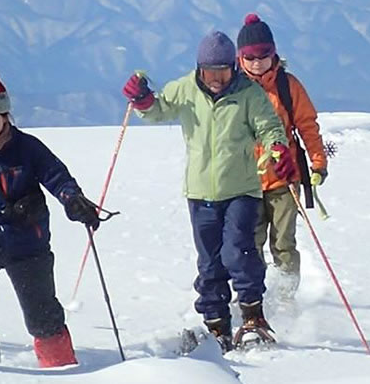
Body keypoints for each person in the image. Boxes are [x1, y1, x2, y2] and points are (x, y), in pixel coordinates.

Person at [121, 31, 295, 352]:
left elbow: (270, 128)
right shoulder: (184, 89)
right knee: (210, 263)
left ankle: (253, 316)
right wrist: (143, 100)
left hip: (241, 188)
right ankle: (217, 326)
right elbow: (159, 109)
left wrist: (278, 149)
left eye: (224, 72)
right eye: (210, 73)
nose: (217, 80)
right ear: (199, 69)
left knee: (238, 251)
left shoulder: (248, 94)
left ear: (234, 68)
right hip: (200, 192)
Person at [0, 65, 102, 368]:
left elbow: (57, 177)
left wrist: (74, 201)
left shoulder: (27, 148)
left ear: (5, 117)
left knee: (42, 312)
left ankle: (62, 368)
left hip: (28, 245)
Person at [236, 13, 329, 300]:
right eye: (250, 57)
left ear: (273, 53)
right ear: (240, 57)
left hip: (284, 178)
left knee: (284, 243)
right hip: (243, 180)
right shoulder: (234, 88)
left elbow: (307, 126)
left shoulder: (288, 87)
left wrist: (318, 162)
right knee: (250, 243)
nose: (257, 62)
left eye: (263, 55)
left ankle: (286, 298)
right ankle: (256, 298)